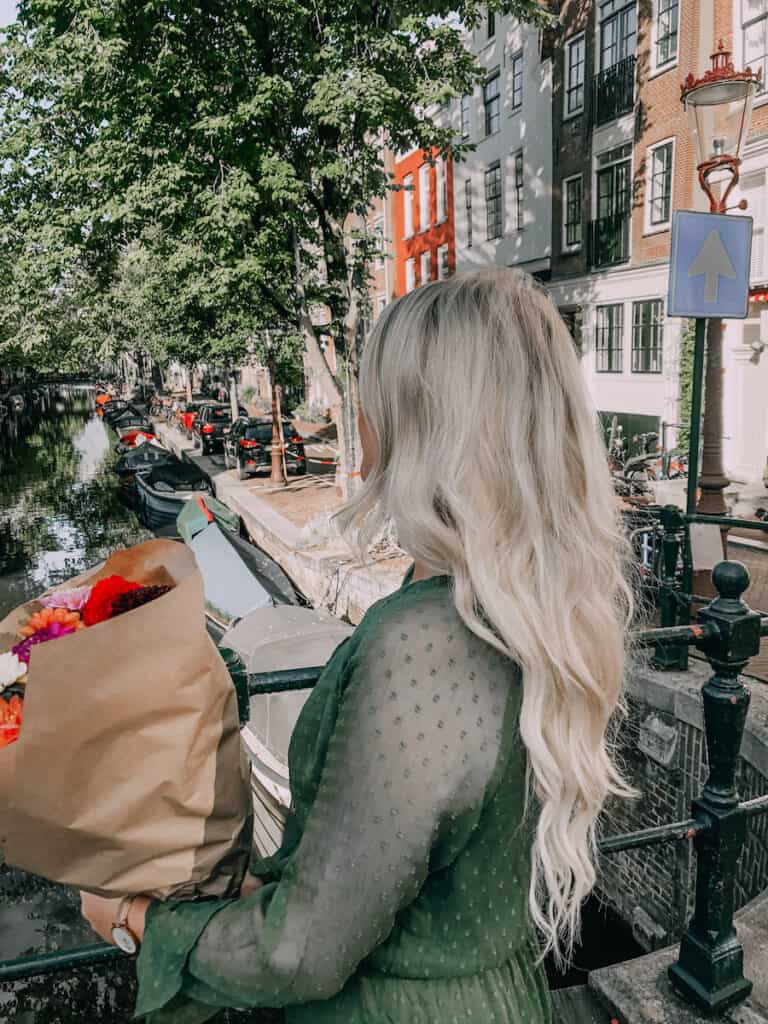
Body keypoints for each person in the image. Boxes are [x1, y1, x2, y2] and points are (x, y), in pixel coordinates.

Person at [82, 268, 639, 1023]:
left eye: (372, 392)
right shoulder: (533, 610)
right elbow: (398, 870)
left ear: (422, 420)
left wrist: (133, 920)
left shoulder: (425, 640)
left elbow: (301, 952)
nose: (362, 414)